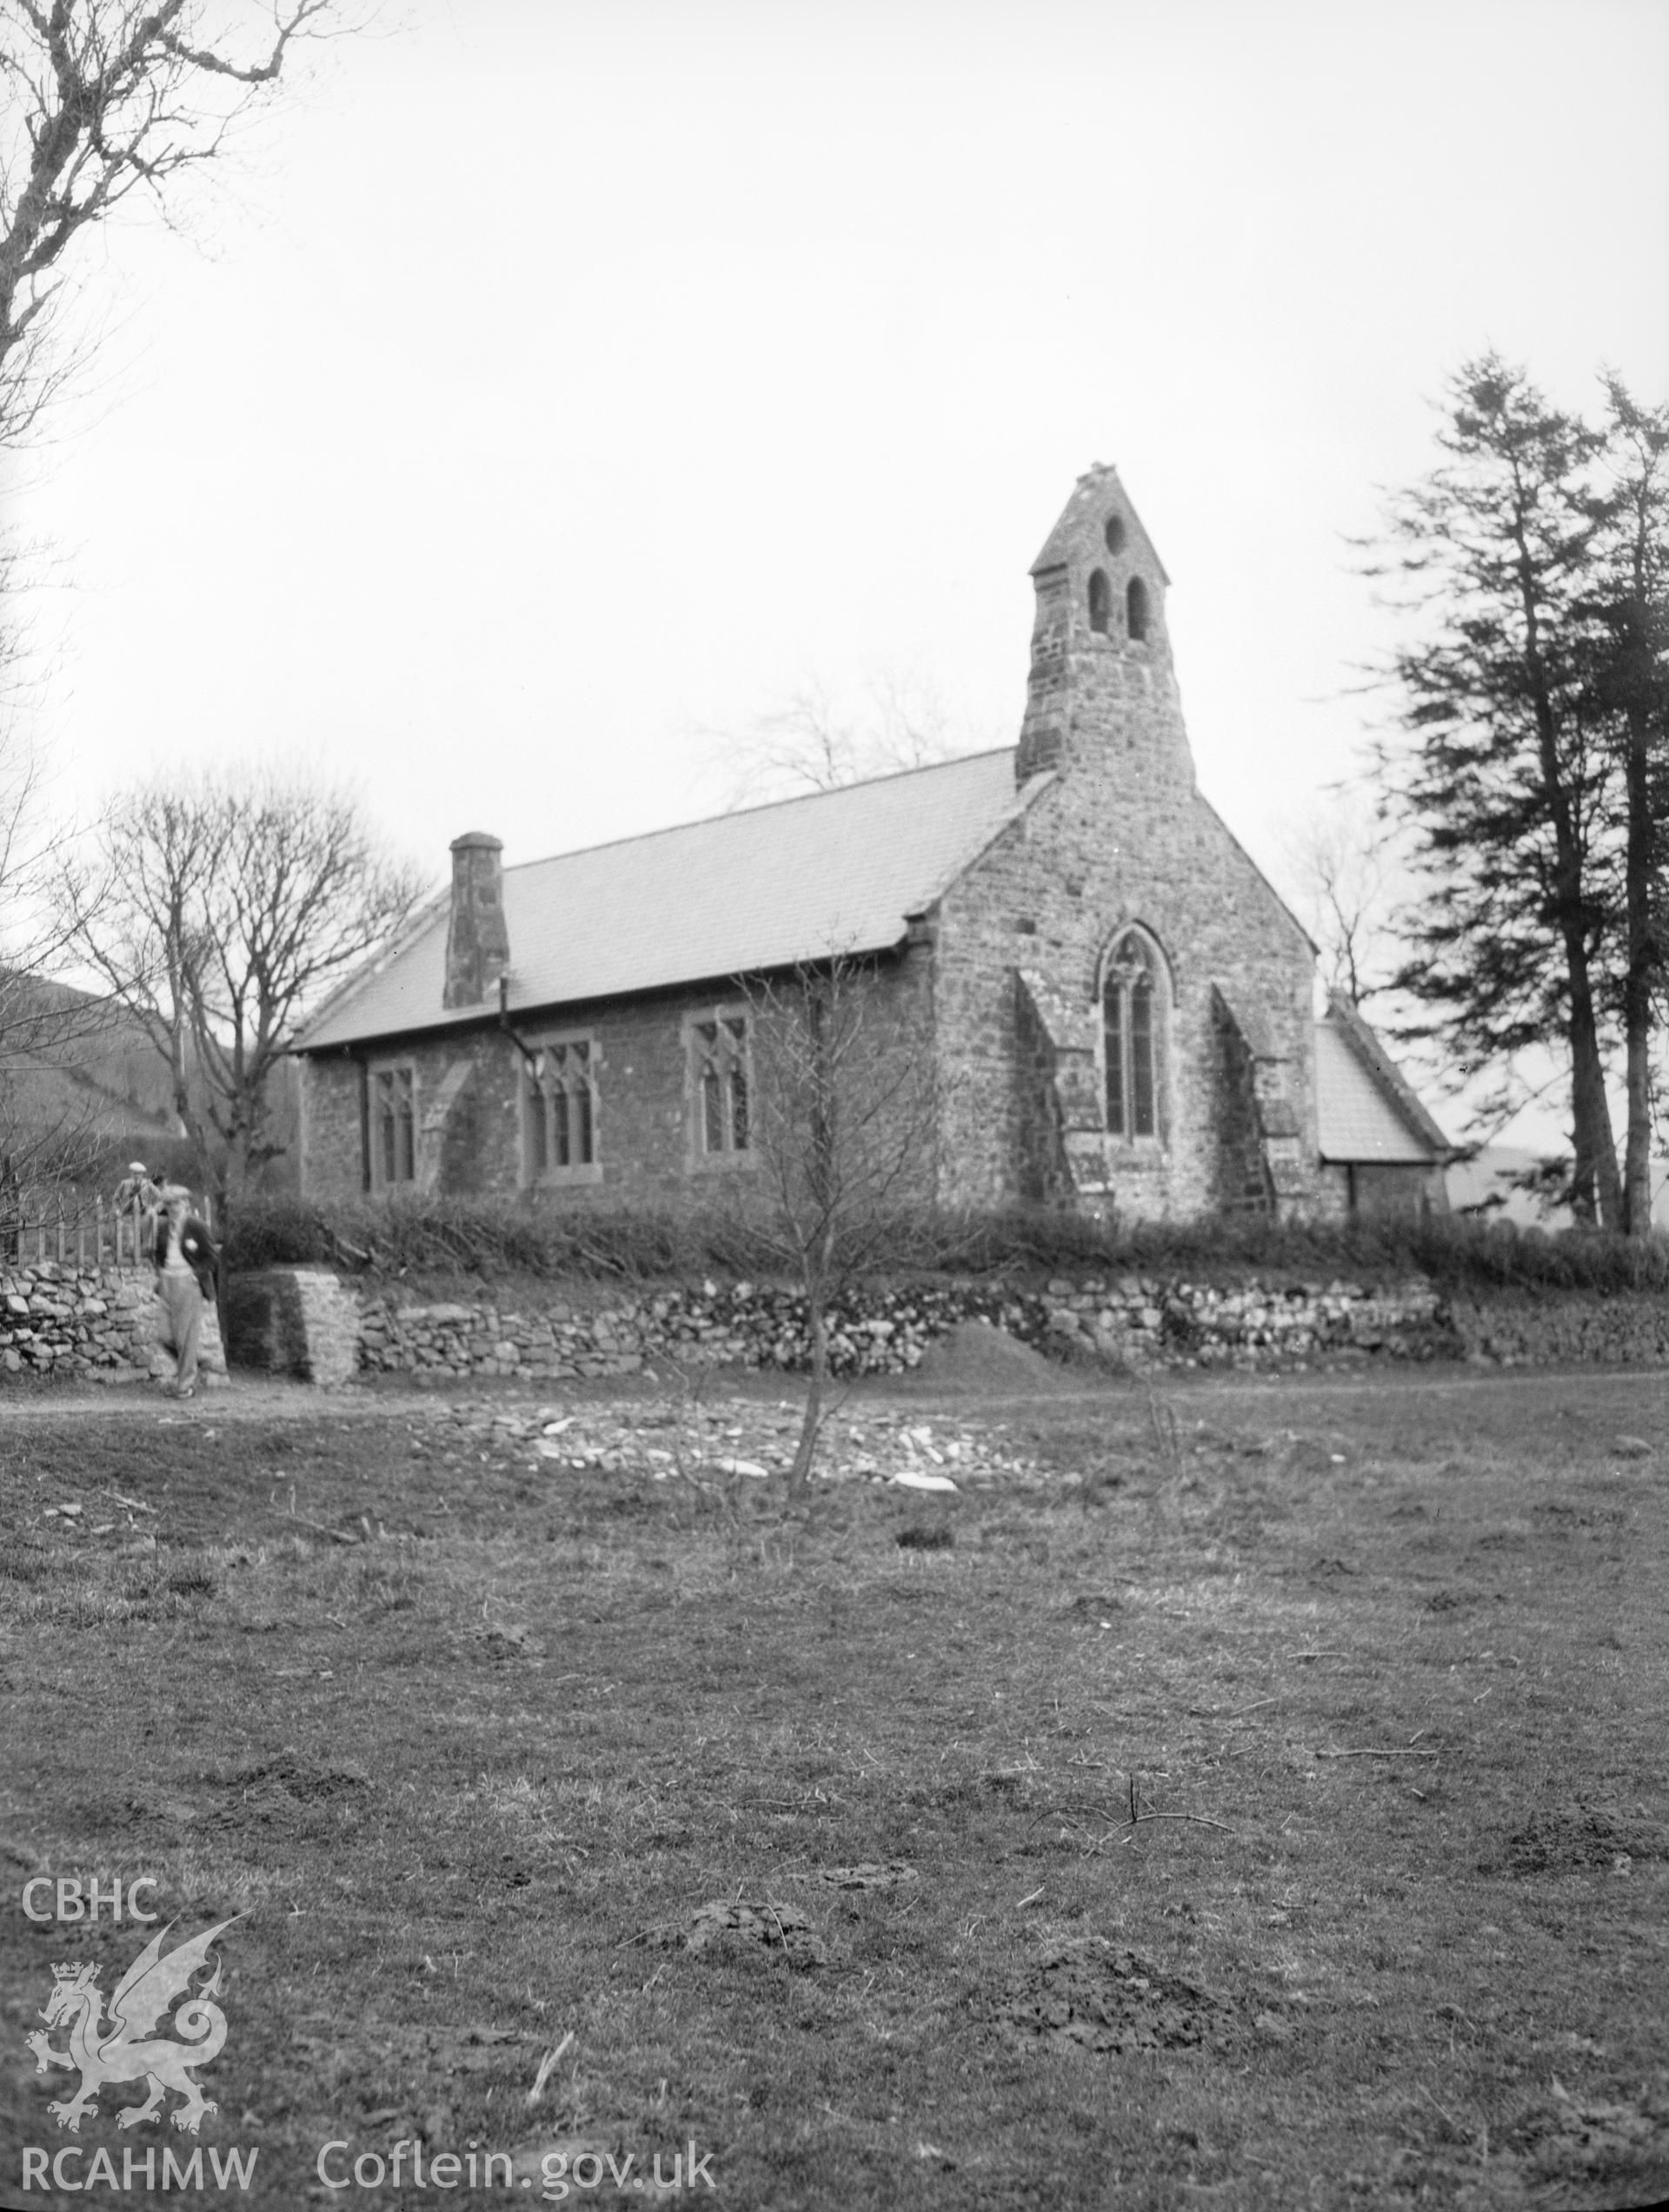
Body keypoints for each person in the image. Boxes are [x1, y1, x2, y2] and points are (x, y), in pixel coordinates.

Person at [117, 1167, 218, 1398]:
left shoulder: (197, 1227)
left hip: (188, 1284)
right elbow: (155, 1253)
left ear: (185, 1204)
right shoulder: (162, 1227)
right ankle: (196, 1359)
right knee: (163, 1335)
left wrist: (195, 1275)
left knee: (184, 1337)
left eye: (176, 1204)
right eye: (168, 1204)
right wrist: (159, 1274)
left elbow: (212, 1257)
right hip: (167, 1282)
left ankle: (184, 1387)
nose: (171, 1209)